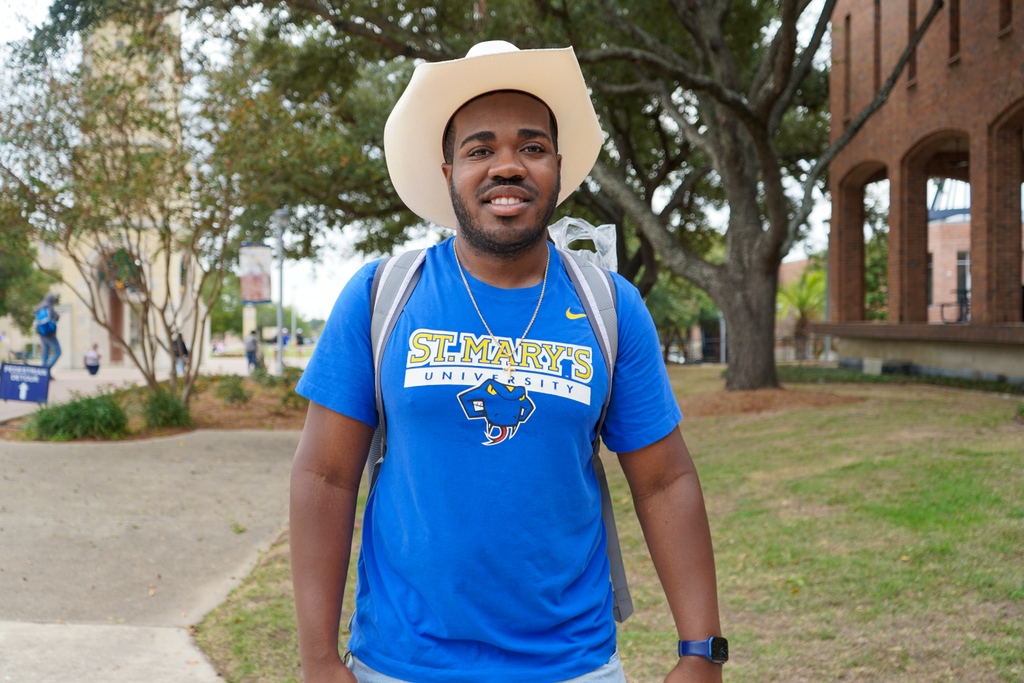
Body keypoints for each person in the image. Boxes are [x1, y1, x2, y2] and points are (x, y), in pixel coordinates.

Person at [291, 41, 724, 683]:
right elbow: (324, 477)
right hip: (401, 665)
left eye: (531, 147)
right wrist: (319, 661)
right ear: (448, 172)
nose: (507, 167)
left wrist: (701, 651)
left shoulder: (609, 306)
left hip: (573, 666)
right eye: (479, 149)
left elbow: (665, 481)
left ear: (556, 165)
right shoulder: (383, 295)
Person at [34, 292, 61, 377]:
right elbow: (55, 317)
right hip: (49, 333)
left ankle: (45, 374)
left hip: (41, 332)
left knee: (45, 353)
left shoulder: (39, 307)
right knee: (58, 351)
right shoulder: (49, 306)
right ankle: (45, 370)